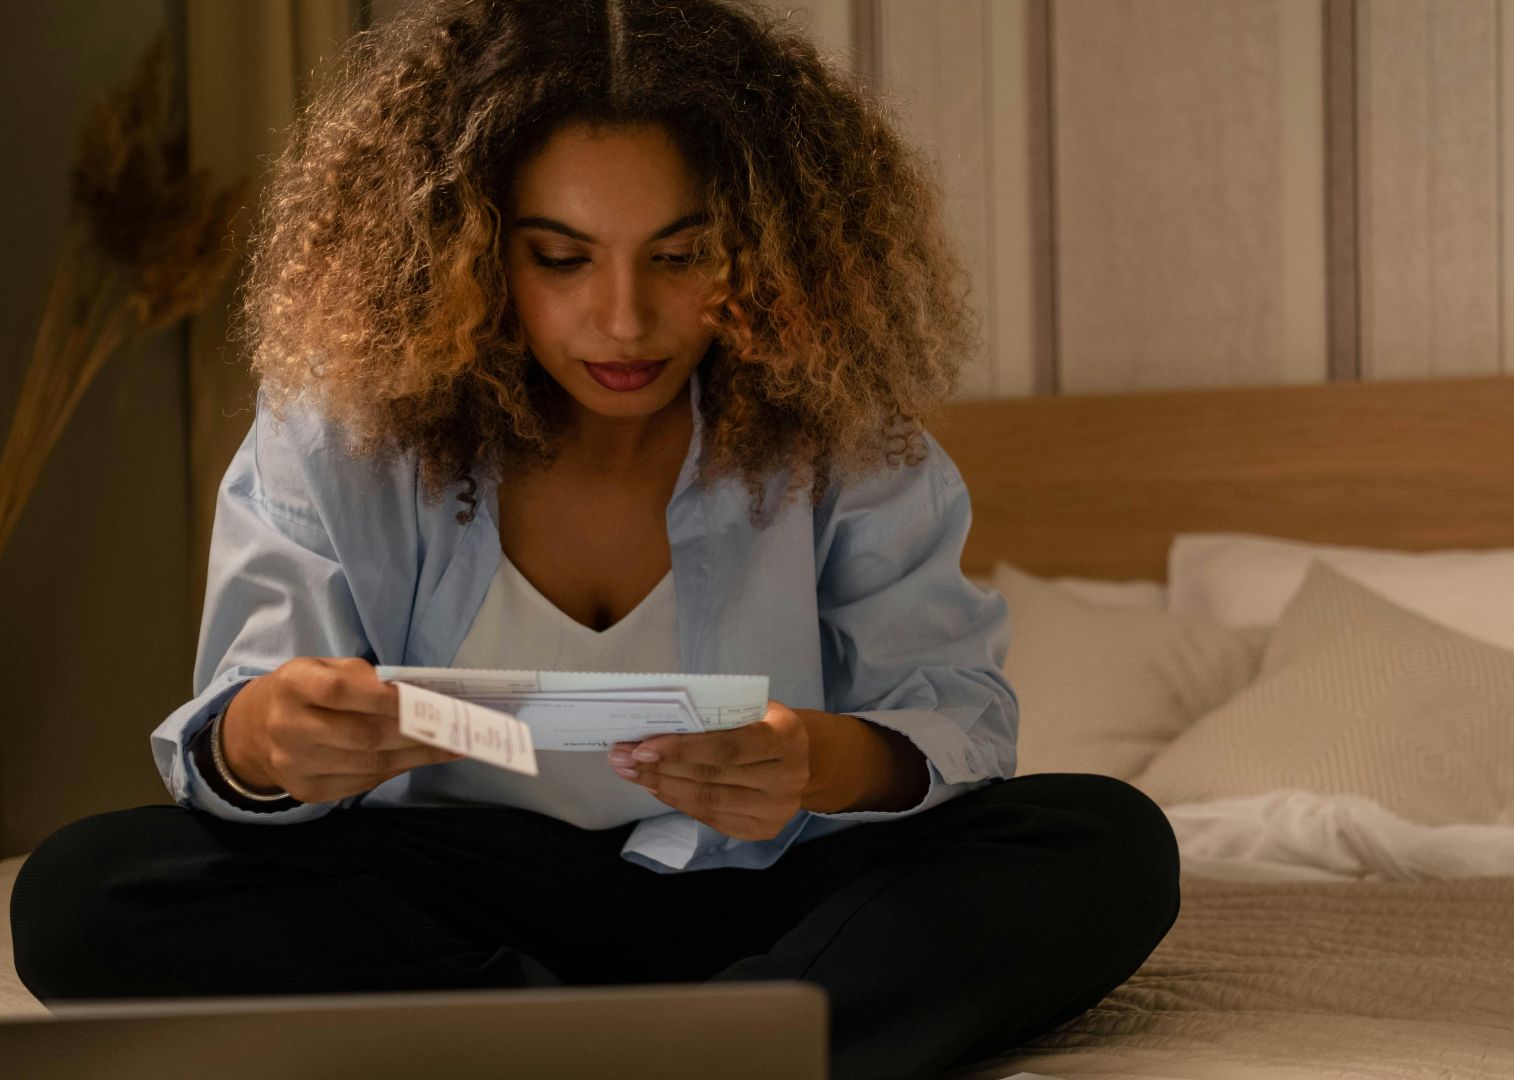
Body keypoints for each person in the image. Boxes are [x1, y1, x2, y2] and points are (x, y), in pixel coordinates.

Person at [7, 1, 1179, 1077]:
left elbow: (956, 717)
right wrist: (269, 739)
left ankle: (566, 1054)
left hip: (761, 892)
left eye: (680, 255)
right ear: (467, 247)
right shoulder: (338, 431)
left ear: (767, 248)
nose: (624, 319)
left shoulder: (847, 438)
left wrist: (817, 760)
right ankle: (700, 1055)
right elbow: (238, 731)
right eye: (561, 258)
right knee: (83, 893)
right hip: (450, 896)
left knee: (1105, 843)